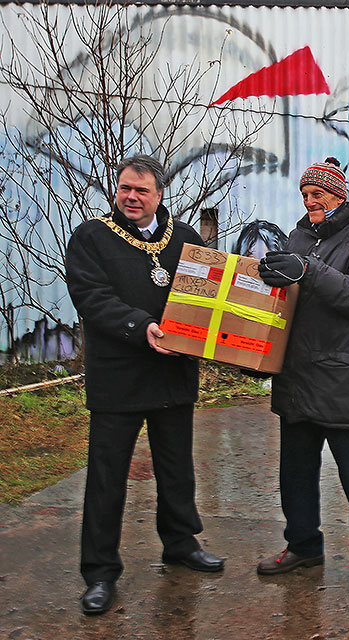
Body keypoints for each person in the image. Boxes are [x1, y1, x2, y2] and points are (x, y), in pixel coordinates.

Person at [66, 154, 224, 616]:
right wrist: (143, 327)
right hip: (119, 376)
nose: (131, 198)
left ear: (159, 194)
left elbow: (210, 294)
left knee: (176, 468)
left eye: (141, 191)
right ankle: (98, 572)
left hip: (172, 374)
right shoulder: (92, 237)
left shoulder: (186, 240)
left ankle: (180, 543)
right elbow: (92, 297)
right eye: (124, 189)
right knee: (107, 477)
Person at [257, 156, 349, 603]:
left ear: (339, 194)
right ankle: (303, 546)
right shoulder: (299, 236)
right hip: (297, 377)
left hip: (344, 379)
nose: (310, 201)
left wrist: (307, 270)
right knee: (295, 473)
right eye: (305, 195)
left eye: (318, 193)